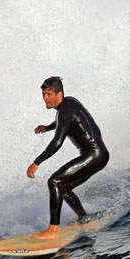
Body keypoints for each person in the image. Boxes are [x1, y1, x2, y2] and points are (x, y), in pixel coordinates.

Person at [26, 76, 109, 240]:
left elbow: (57, 143)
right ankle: (84, 219)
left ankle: (53, 231)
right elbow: (63, 121)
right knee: (63, 187)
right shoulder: (69, 103)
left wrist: (36, 162)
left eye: (49, 94)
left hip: (93, 155)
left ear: (59, 94)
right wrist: (47, 127)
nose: (45, 98)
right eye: (43, 94)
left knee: (54, 182)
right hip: (99, 154)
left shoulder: (65, 111)